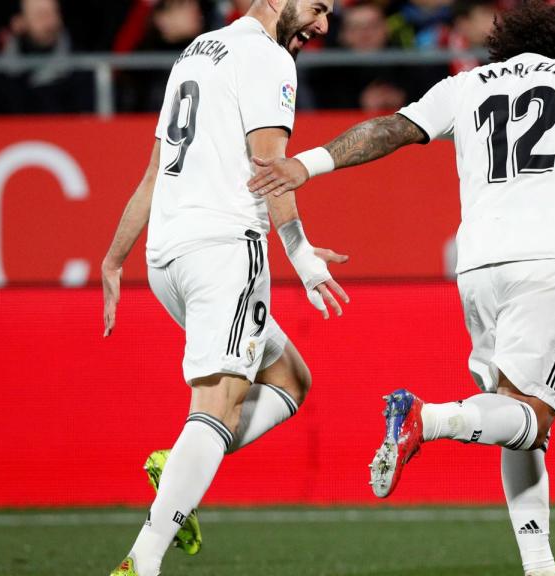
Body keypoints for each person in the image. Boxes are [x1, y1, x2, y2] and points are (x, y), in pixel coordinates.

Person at [247, 3, 555, 575]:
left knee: (511, 416)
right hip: (548, 258)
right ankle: (428, 418)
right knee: (533, 417)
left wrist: (308, 165)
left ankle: (539, 566)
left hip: (478, 265)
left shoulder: (466, 84)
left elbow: (389, 129)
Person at [99, 0, 345, 573]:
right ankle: (142, 562)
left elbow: (156, 170)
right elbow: (270, 168)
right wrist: (302, 256)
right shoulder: (268, 57)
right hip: (223, 250)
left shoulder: (196, 51)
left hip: (167, 257)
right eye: (318, 7)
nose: (323, 26)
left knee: (290, 379)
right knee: (217, 407)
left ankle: (181, 467)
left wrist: (114, 258)